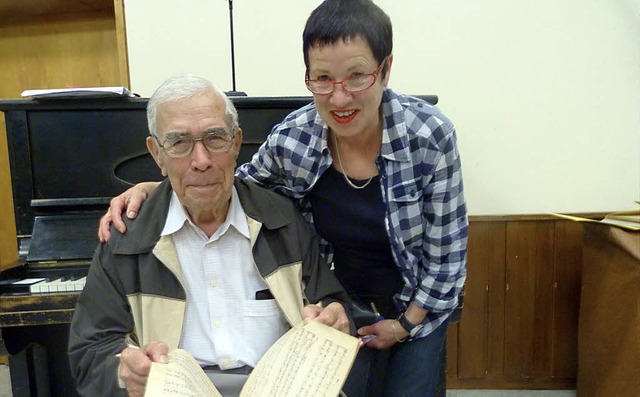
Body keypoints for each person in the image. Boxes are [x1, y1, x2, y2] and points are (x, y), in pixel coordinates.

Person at [99, 0, 468, 396]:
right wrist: (157, 188)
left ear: (386, 69)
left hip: (416, 304)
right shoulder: (295, 138)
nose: (339, 98)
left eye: (357, 76)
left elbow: (447, 259)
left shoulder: (428, 137)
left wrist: (404, 325)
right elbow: (232, 185)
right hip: (337, 305)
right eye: (323, 78)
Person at [68, 74, 354, 397]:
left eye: (215, 138)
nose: (201, 161)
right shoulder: (126, 237)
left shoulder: (282, 220)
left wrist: (335, 321)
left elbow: (333, 308)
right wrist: (123, 372)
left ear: (236, 143)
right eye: (179, 143)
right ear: (157, 155)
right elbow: (89, 353)